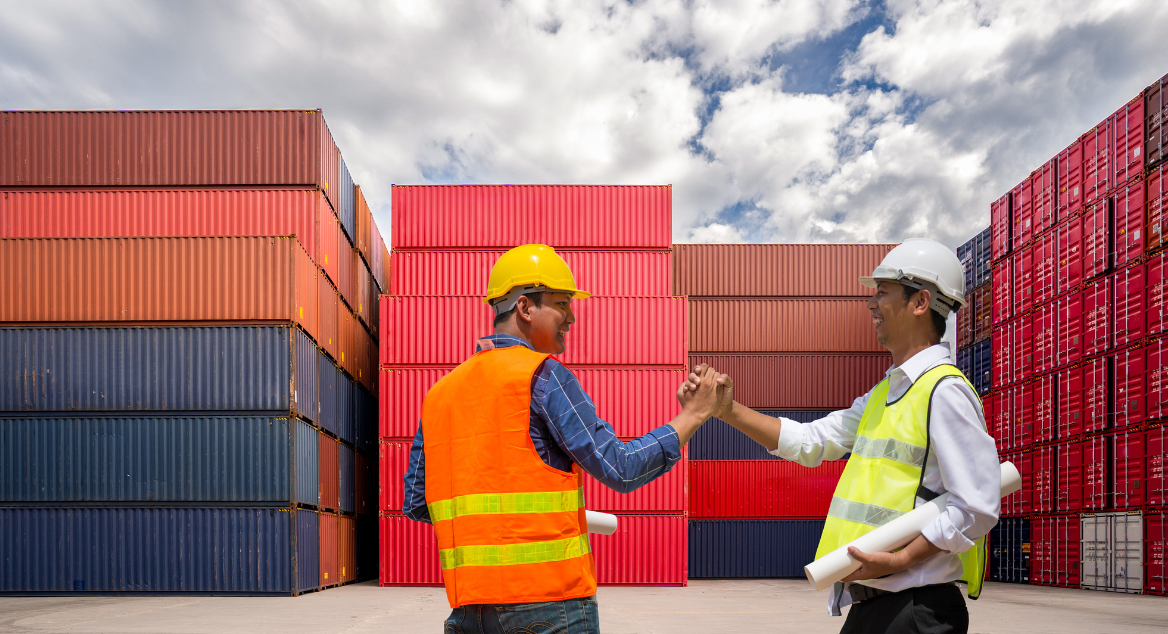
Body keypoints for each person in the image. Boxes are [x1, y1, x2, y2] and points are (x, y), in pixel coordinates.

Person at [403, 244, 731, 634]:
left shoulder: (439, 394)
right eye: (562, 304)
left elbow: (419, 503)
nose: (571, 318)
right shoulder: (543, 374)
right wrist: (692, 415)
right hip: (547, 608)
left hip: (468, 611)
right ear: (525, 308)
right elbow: (620, 467)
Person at [686, 238, 999, 634]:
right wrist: (726, 410)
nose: (871, 305)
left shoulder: (945, 391)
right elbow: (809, 440)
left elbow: (978, 505)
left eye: (882, 293)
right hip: (876, 607)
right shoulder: (883, 395)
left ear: (920, 302)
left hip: (916, 609)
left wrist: (902, 560)